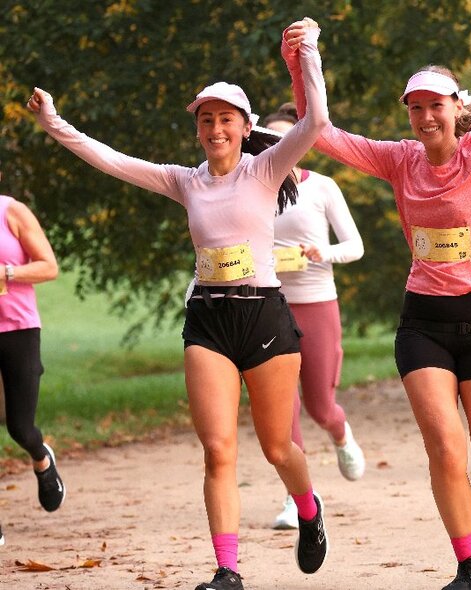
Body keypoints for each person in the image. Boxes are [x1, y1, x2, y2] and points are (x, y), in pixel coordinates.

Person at [29, 18, 330, 589]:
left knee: (276, 446)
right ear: (199, 129)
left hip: (264, 316)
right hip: (209, 320)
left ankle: (309, 508)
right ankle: (228, 570)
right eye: (206, 120)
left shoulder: (267, 167)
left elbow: (316, 120)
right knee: (217, 450)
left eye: (225, 119)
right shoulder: (183, 180)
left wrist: (309, 52)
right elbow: (109, 159)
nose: (216, 128)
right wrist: (52, 122)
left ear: (245, 128)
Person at [288, 1, 471, 587]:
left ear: (457, 110)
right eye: (416, 107)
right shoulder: (397, 160)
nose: (426, 116)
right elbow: (317, 130)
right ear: (407, 113)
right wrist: (300, 58)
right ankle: (470, 565)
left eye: (436, 105)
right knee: (445, 449)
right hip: (424, 322)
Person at [262, 103, 367, 530]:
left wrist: (323, 253)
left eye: (287, 138)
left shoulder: (322, 187)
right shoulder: (253, 188)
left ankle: (341, 434)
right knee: (281, 411)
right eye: (269, 140)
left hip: (319, 302)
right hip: (269, 308)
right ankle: (297, 498)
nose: (279, 146)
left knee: (321, 407)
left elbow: (355, 246)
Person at [0, 186, 66, 535]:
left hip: (18, 328)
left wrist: (7, 274)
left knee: (19, 427)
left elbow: (49, 266)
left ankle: (41, 458)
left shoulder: (12, 213)